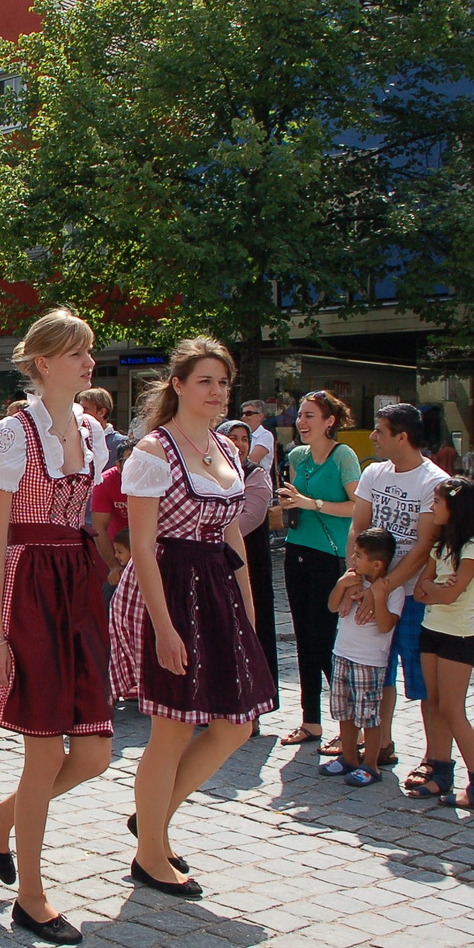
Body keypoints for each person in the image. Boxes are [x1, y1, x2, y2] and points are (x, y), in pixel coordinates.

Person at [113, 338, 276, 898]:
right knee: (172, 730)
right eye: (205, 380)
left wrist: (249, 615)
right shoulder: (154, 453)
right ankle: (150, 853)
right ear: (178, 386)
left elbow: (234, 537)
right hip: (170, 588)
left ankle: (152, 822)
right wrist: (162, 627)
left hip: (216, 589)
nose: (217, 391)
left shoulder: (225, 450)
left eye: (223, 382)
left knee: (237, 724)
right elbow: (141, 545)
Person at [0, 311, 111, 946]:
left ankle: (2, 819)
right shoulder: (11, 433)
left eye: (89, 352)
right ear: (47, 363)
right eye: (78, 353)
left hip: (76, 583)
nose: (89, 363)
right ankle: (30, 894)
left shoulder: (90, 430)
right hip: (28, 583)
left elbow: (87, 519)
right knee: (45, 752)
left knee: (94, 753)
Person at [348, 403, 448, 785]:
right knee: (378, 672)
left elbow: (424, 545)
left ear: (402, 437)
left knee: (423, 681)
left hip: (413, 595)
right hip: (375, 589)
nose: (373, 437)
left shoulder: (432, 480)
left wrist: (386, 586)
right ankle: (381, 744)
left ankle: (432, 757)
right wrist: (355, 577)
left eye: (380, 431)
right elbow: (359, 528)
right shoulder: (374, 472)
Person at [276, 391, 361, 749]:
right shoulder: (296, 455)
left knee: (324, 642)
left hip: (330, 556)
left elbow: (357, 506)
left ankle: (351, 725)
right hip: (297, 551)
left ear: (330, 421)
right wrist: (288, 504)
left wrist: (312, 503)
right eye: (301, 415)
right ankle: (311, 721)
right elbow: (295, 503)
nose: (302, 422)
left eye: (311, 416)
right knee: (303, 641)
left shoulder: (344, 456)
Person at [408, 477, 474, 808]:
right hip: (431, 629)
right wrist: (436, 589)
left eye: (438, 502)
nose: (433, 507)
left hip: (459, 634)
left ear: (455, 507)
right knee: (432, 703)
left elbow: (451, 593)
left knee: (452, 709)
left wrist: (436, 589)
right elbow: (422, 590)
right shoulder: (441, 545)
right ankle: (440, 773)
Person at [321, 528, 403, 789]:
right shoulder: (351, 580)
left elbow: (386, 625)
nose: (353, 560)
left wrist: (378, 597)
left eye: (358, 556)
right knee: (344, 710)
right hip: (342, 654)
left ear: (377, 563)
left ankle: (371, 764)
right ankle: (348, 757)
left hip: (369, 661)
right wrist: (341, 585)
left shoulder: (393, 590)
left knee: (368, 715)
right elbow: (332, 607)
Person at [218, 419, 278, 681]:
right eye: (234, 437)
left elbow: (249, 518)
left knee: (255, 630)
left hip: (250, 564)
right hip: (216, 565)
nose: (240, 444)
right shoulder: (209, 471)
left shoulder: (256, 474)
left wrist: (202, 532)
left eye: (245, 439)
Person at [91, 440, 133, 609]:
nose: (135, 468)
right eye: (129, 462)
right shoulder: (105, 482)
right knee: (110, 593)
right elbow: (98, 528)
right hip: (118, 552)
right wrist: (114, 566)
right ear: (118, 465)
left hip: (150, 548)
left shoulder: (154, 479)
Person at [76, 387, 123, 463]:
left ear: (101, 412)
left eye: (85, 409)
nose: (80, 413)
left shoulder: (120, 443)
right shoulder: (76, 439)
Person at [237, 400, 275, 475]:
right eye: (242, 413)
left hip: (258, 483)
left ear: (260, 416)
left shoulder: (265, 435)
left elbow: (252, 460)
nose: (244, 417)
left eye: (249, 413)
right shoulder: (241, 435)